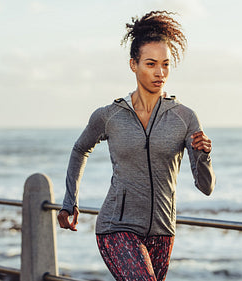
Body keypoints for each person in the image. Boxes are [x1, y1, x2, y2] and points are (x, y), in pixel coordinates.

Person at [57, 10, 216, 281]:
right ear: (133, 65)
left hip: (163, 231)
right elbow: (80, 149)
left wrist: (203, 156)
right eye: (151, 64)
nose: (160, 73)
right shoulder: (110, 115)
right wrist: (70, 200)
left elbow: (206, 187)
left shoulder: (184, 117)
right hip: (115, 227)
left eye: (166, 64)